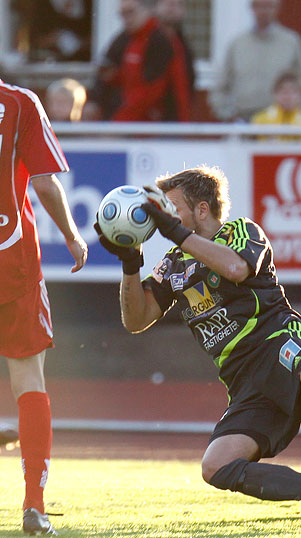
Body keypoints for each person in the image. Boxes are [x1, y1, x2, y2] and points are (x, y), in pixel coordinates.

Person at [94, 166, 301, 526]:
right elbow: (136, 320)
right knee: (215, 465)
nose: (165, 215)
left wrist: (174, 232)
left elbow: (236, 269)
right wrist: (130, 263)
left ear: (202, 209)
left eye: (174, 207)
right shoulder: (172, 264)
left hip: (276, 339)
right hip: (244, 381)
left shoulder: (242, 231)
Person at [0, 80, 88, 535]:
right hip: (11, 258)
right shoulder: (18, 101)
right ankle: (34, 505)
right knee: (28, 378)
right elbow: (43, 181)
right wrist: (73, 236)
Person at [208, 0, 301, 122]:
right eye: (260, 6)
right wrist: (226, 113)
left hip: (280, 123)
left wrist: (296, 118)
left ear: (277, 8)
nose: (264, 11)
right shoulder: (238, 44)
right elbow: (221, 86)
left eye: (269, 6)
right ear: (252, 7)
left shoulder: (291, 43)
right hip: (244, 120)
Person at [90, 0, 191, 121]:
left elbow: (150, 92)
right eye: (122, 14)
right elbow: (105, 74)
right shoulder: (123, 40)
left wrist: (119, 123)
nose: (126, 19)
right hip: (132, 122)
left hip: (158, 125)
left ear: (147, 11)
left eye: (130, 12)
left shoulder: (160, 41)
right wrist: (93, 102)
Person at [251, 72, 301, 142]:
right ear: (275, 94)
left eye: (293, 92)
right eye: (284, 92)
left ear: (300, 95)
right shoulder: (260, 121)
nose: (288, 97)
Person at [155, 0, 196, 95]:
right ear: (156, 7)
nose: (172, 7)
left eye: (178, 3)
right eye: (166, 2)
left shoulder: (184, 47)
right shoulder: (144, 40)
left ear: (184, 11)